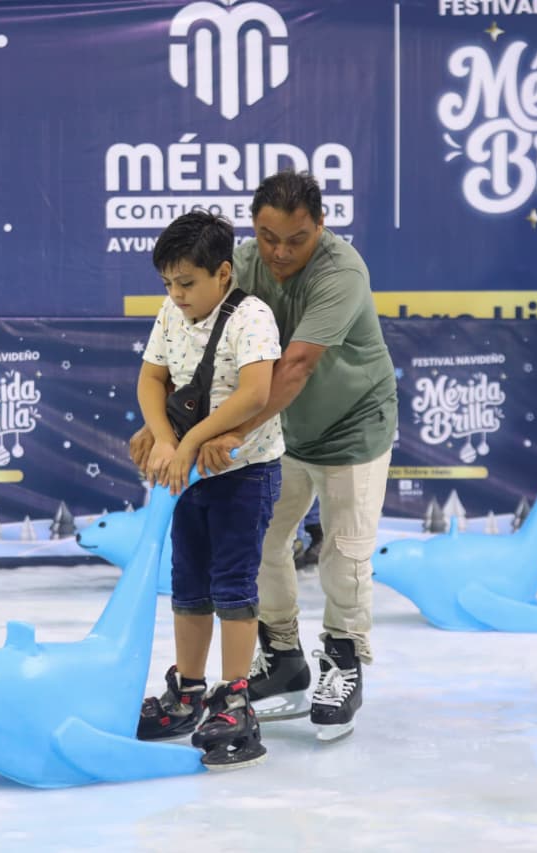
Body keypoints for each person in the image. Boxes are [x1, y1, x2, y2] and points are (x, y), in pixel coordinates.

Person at [132, 170, 398, 741]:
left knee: (344, 550)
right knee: (262, 546)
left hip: (351, 425)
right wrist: (165, 430)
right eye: (267, 236)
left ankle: (344, 658)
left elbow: (294, 366)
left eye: (295, 239)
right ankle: (282, 657)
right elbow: (191, 354)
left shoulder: (342, 271)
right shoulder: (241, 260)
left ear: (320, 226)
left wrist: (219, 435)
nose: (279, 252)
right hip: (277, 436)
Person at [133, 211, 285, 770]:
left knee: (233, 584)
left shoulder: (253, 317)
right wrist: (162, 438)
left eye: (186, 283)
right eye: (167, 284)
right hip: (190, 476)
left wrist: (189, 441)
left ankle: (237, 698)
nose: (175, 295)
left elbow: (254, 393)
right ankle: (189, 690)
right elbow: (151, 378)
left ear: (222, 274)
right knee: (188, 583)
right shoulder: (169, 315)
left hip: (244, 474)